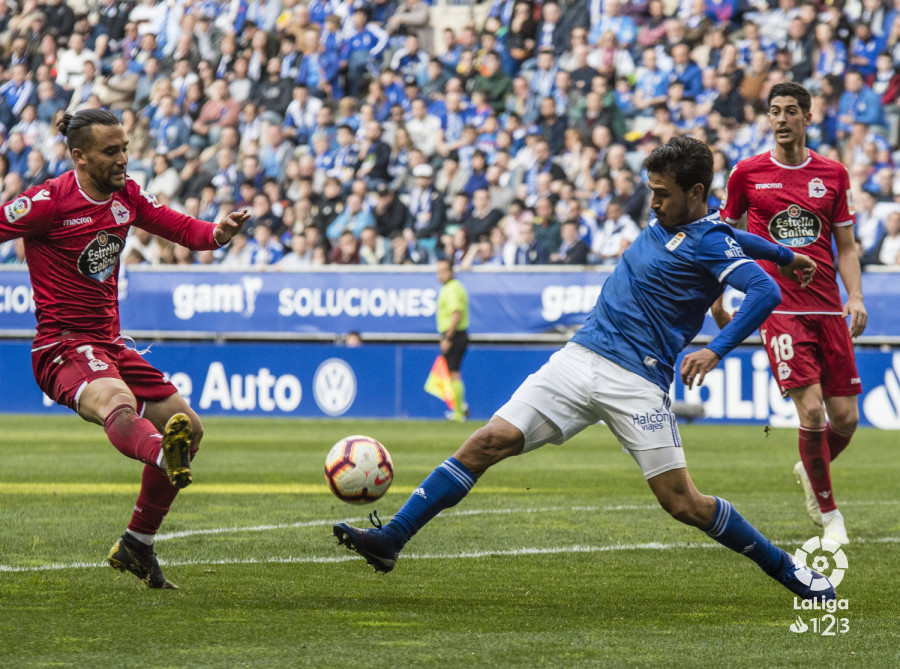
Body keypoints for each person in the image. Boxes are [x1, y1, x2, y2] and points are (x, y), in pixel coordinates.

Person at [333, 137, 836, 602]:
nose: (653, 202)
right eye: (650, 191)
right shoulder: (690, 226)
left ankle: (787, 569)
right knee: (486, 441)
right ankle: (392, 537)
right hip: (578, 358)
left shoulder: (707, 241)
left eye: (662, 194)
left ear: (696, 191)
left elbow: (764, 290)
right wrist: (786, 254)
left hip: (636, 381)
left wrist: (717, 348)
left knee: (684, 504)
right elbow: (736, 238)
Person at [0, 110, 250, 589]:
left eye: (125, 148)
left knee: (191, 430)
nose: (122, 159)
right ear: (79, 156)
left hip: (110, 344)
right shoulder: (47, 202)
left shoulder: (126, 194)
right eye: (111, 152)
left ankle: (138, 543)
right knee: (115, 400)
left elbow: (176, 226)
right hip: (63, 347)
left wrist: (216, 233)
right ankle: (160, 453)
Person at [717, 82, 866, 547]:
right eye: (774, 112)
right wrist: (719, 296)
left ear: (807, 117)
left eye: (790, 112)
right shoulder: (747, 174)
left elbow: (846, 246)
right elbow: (725, 239)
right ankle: (830, 515)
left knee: (846, 419)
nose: (781, 119)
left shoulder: (833, 174)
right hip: (777, 306)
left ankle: (809, 465)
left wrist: (855, 296)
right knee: (813, 409)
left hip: (827, 308)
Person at [436, 259, 470, 423]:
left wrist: (448, 337)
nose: (439, 275)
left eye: (443, 271)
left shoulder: (451, 289)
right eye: (438, 271)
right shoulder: (454, 287)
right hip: (457, 334)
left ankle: (459, 412)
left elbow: (456, 313)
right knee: (452, 372)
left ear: (451, 272)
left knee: (453, 373)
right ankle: (460, 407)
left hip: (454, 334)